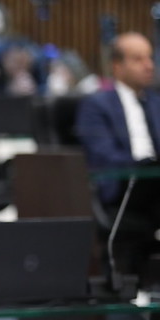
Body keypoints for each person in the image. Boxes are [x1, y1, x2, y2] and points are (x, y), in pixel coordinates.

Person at [76, 32, 160, 281]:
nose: (149, 65)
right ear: (117, 66)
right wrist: (145, 165)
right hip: (123, 189)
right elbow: (104, 156)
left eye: (149, 58)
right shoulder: (96, 105)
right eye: (138, 59)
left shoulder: (156, 103)